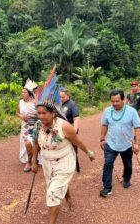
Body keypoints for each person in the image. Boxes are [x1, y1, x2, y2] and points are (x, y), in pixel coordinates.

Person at [31, 83, 95, 224]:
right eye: (38, 113)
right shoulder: (37, 126)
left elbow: (77, 141)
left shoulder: (64, 126)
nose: (40, 116)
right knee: (55, 185)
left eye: (44, 113)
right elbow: (35, 144)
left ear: (53, 113)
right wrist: (34, 162)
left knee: (52, 193)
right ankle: (68, 197)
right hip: (48, 163)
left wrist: (89, 153)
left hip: (64, 161)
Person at [100, 89, 140, 197]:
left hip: (127, 145)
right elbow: (104, 125)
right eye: (112, 101)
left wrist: (137, 144)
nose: (114, 104)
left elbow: (137, 128)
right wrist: (102, 139)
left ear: (123, 100)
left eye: (117, 101)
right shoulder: (107, 111)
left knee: (127, 165)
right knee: (107, 164)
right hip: (111, 143)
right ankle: (107, 188)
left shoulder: (131, 111)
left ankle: (126, 178)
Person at [16, 79, 38, 172]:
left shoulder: (35, 102)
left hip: (35, 126)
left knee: (33, 143)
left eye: (24, 92)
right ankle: (27, 160)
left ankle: (33, 160)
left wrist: (33, 116)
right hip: (24, 126)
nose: (22, 93)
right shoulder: (20, 102)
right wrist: (22, 116)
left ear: (29, 93)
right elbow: (16, 112)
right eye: (22, 92)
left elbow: (41, 114)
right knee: (24, 142)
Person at [60, 87, 81, 172]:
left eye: (63, 97)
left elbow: (76, 118)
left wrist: (75, 129)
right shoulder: (57, 103)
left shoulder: (72, 104)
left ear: (68, 95)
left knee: (73, 145)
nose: (61, 99)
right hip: (59, 129)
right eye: (59, 97)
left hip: (70, 128)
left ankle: (75, 161)